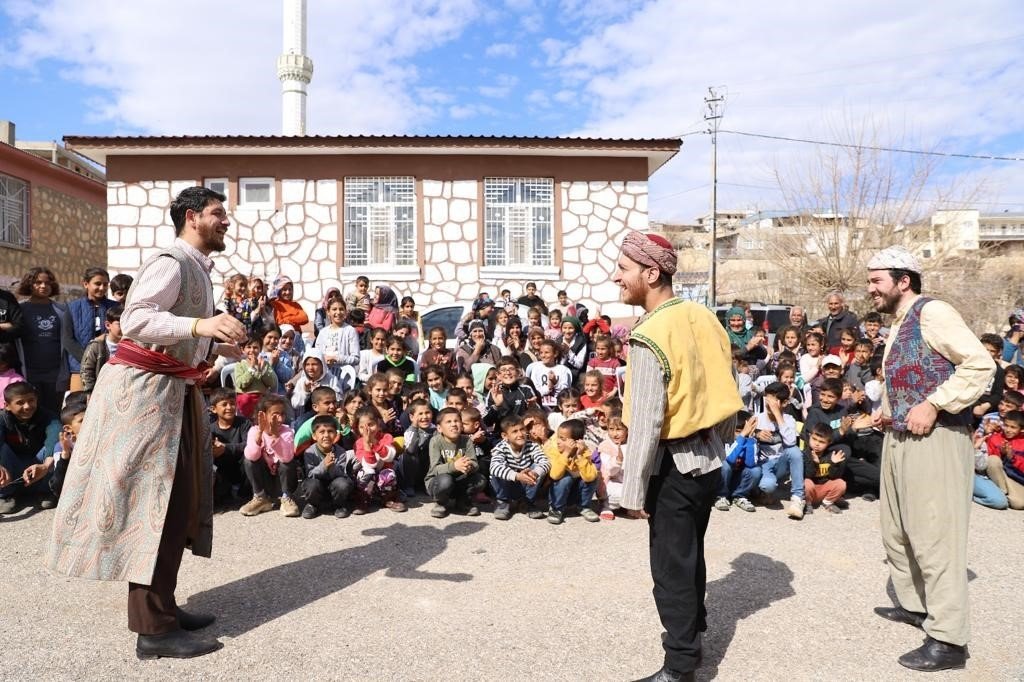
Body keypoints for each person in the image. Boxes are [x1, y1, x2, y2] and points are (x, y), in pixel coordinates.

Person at [47, 186, 247, 660]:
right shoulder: (170, 262)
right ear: (192, 216)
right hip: (146, 398)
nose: (226, 221)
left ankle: (166, 607)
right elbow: (136, 320)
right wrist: (202, 327)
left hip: (171, 392)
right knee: (153, 508)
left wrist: (213, 347)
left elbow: (174, 334)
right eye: (219, 213)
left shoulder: (196, 268)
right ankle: (153, 630)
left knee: (178, 504)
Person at [613, 230, 742, 682]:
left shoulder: (649, 333)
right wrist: (718, 443)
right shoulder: (704, 317)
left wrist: (632, 492)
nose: (617, 278)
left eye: (624, 269)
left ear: (652, 273)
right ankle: (694, 634)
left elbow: (647, 422)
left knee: (670, 567)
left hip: (673, 464)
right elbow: (728, 387)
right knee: (690, 553)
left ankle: (681, 665)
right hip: (706, 460)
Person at [866, 245, 994, 672]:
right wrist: (891, 411)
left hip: (937, 438)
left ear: (904, 281)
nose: (870, 289)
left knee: (936, 537)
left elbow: (979, 365)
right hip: (901, 437)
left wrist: (935, 404)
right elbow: (912, 375)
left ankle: (948, 639)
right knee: (898, 531)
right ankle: (916, 605)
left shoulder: (934, 312)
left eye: (876, 280)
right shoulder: (902, 322)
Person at [0, 381, 60, 513]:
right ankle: (5, 495)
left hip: (39, 469)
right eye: (20, 402)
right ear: (7, 406)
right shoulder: (2, 419)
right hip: (11, 472)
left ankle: (46, 491)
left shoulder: (49, 417)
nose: (27, 406)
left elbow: (53, 437)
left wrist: (45, 466)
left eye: (31, 400)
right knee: (2, 449)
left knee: (59, 445)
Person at [16, 266, 66, 413]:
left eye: (48, 283)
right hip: (28, 373)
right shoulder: (19, 309)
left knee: (53, 412)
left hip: (55, 374)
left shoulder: (62, 310)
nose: (43, 286)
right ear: (29, 284)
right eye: (38, 282)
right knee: (32, 413)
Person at [241, 393, 299, 518]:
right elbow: (251, 456)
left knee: (287, 463)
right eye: (275, 414)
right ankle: (260, 498)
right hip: (265, 481)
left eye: (282, 414)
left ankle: (286, 498)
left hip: (282, 481)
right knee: (248, 461)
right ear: (263, 415)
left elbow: (287, 458)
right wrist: (260, 435)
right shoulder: (254, 431)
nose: (279, 418)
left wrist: (276, 436)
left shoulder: (287, 431)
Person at [61, 267, 115, 392]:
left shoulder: (115, 308)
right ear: (86, 284)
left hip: (109, 367)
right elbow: (67, 339)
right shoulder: (72, 307)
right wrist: (87, 360)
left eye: (105, 284)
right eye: (97, 284)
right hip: (79, 368)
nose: (102, 288)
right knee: (78, 407)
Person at [425, 407, 484, 518]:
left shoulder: (466, 440)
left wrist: (469, 466)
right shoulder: (435, 441)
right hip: (438, 481)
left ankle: (462, 501)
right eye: (448, 422)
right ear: (439, 428)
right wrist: (454, 466)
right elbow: (434, 469)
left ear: (461, 425)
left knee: (480, 480)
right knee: (446, 480)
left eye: (456, 421)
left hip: (459, 480)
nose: (453, 424)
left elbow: (475, 463)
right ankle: (440, 503)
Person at [298, 415, 355, 519]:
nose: (326, 435)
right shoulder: (309, 452)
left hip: (334, 485)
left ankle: (338, 505)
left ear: (336, 434)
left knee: (343, 483)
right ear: (314, 436)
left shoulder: (341, 452)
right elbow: (310, 474)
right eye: (322, 432)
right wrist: (324, 465)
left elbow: (341, 474)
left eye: (330, 431)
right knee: (311, 484)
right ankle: (313, 505)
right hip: (317, 486)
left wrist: (332, 466)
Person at [802, 423, 849, 514]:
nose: (817, 444)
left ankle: (828, 502)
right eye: (814, 439)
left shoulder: (830, 455)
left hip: (823, 490)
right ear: (809, 436)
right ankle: (807, 504)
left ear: (829, 442)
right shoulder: (805, 454)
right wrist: (815, 463)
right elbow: (808, 475)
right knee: (807, 483)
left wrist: (834, 464)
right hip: (809, 491)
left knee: (841, 483)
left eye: (822, 442)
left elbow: (833, 477)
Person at [80, 305, 123, 391]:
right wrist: (90, 391)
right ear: (108, 325)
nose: (123, 328)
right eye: (119, 324)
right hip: (100, 390)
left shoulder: (131, 345)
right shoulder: (97, 345)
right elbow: (86, 371)